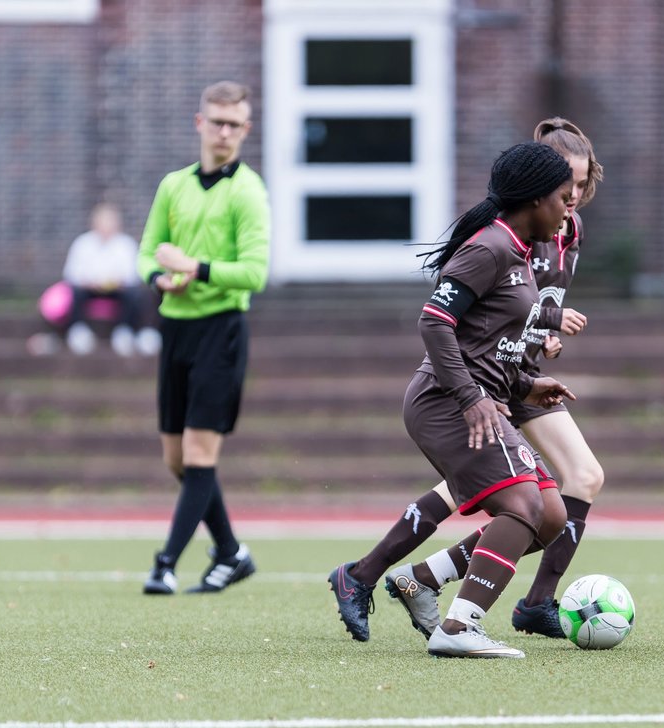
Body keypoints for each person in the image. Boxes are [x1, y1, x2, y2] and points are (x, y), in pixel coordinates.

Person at [328, 119, 605, 643]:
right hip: (452, 400)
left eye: (578, 191)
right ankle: (461, 624)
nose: (573, 204)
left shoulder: (524, 249)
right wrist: (474, 397)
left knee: (547, 514)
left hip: (498, 391)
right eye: (564, 193)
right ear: (537, 194)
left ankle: (397, 577)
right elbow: (435, 320)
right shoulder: (491, 248)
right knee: (523, 504)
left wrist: (526, 385)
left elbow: (495, 335)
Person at [138, 81, 270, 596]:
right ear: (200, 123)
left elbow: (255, 273)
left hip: (222, 331)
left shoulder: (249, 191)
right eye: (216, 121)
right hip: (176, 330)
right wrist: (159, 278)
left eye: (234, 124)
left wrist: (196, 267)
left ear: (246, 130)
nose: (224, 132)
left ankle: (164, 563)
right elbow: (148, 252)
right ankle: (233, 553)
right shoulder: (174, 185)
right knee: (178, 460)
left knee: (198, 454)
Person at [59, 202, 159, 357]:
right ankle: (78, 330)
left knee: (135, 294)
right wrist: (90, 282)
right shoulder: (82, 243)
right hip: (88, 290)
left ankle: (124, 330)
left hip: (118, 291)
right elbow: (71, 274)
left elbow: (133, 276)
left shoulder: (126, 244)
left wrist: (117, 282)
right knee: (74, 291)